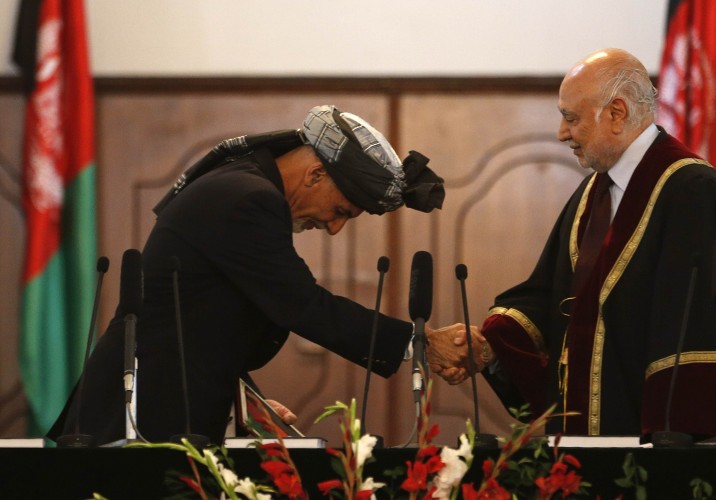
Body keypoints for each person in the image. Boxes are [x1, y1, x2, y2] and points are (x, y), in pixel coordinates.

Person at [48, 104, 468, 446]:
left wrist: (246, 403)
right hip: (136, 428)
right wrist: (420, 343)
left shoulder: (242, 186)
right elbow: (303, 305)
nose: (335, 227)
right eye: (341, 211)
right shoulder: (248, 200)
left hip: (159, 417)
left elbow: (198, 328)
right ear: (316, 173)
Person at [436, 49, 716, 441]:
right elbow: (549, 297)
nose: (561, 133)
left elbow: (699, 336)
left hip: (657, 450)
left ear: (617, 114)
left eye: (571, 118)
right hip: (586, 445)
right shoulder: (593, 193)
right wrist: (488, 345)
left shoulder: (694, 193)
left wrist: (676, 450)